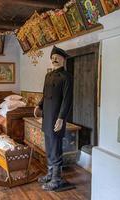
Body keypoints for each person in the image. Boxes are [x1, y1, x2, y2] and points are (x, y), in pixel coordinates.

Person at [34, 46, 74, 191]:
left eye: (57, 57)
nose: (54, 60)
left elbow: (67, 100)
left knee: (56, 146)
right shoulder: (48, 76)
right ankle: (50, 174)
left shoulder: (67, 77)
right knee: (49, 146)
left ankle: (57, 179)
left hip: (57, 117)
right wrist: (38, 106)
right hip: (47, 116)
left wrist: (61, 118)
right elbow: (45, 95)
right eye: (52, 58)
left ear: (63, 59)